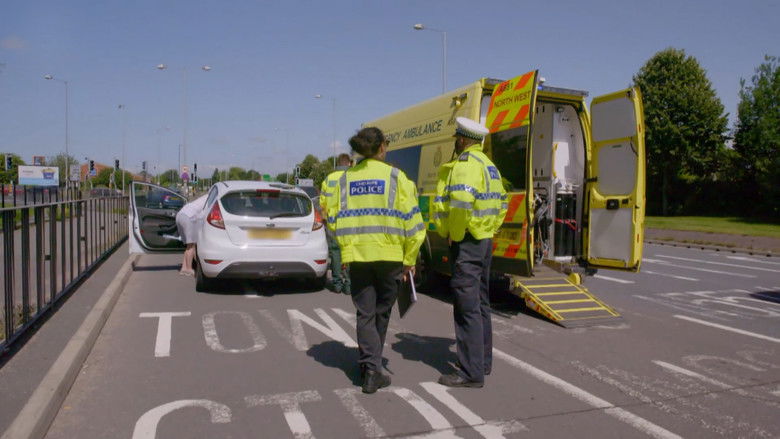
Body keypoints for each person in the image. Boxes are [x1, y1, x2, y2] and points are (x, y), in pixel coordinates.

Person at [328, 127, 425, 394]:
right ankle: (372, 368)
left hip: (359, 257)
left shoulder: (344, 180)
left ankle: (369, 366)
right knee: (382, 313)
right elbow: (415, 225)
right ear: (382, 147)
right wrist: (409, 259)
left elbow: (333, 220)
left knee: (365, 313)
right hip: (391, 257)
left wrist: (347, 250)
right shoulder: (397, 178)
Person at [432, 117, 507, 388]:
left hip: (468, 242)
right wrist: (489, 229)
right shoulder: (490, 166)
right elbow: (503, 203)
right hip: (483, 240)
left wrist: (456, 233)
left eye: (456, 137)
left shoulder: (465, 165)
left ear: (462, 139)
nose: (456, 141)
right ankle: (483, 363)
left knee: (466, 308)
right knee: (481, 303)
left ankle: (469, 373)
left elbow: (461, 204)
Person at [320, 153, 353, 294]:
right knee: (349, 253)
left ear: (338, 164)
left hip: (333, 223)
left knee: (335, 254)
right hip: (350, 223)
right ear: (348, 164)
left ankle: (337, 284)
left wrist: (325, 220)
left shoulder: (328, 180)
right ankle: (348, 284)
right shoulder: (353, 178)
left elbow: (322, 204)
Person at [175, 193, 208, 276]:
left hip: (180, 215)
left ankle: (184, 268)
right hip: (189, 217)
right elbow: (203, 215)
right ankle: (189, 269)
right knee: (191, 246)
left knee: (188, 246)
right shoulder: (210, 200)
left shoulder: (204, 197)